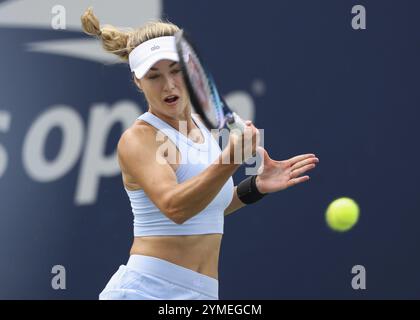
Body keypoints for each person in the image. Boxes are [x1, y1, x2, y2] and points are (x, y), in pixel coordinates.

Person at [81, 7, 319, 300]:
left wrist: (254, 187)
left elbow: (204, 208)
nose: (168, 85)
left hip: (201, 294)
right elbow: (175, 208)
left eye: (176, 70)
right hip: (147, 290)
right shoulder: (138, 139)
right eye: (153, 76)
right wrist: (229, 160)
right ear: (137, 82)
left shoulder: (203, 127)